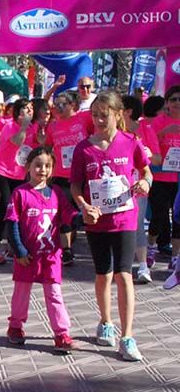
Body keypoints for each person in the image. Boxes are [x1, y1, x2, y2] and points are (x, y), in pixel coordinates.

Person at [69, 91, 152, 362]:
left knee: (123, 274)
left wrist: (145, 182)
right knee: (103, 274)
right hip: (97, 221)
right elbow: (75, 185)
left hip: (125, 218)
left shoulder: (131, 142)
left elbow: (146, 170)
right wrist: (84, 206)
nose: (99, 120)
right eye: (95, 115)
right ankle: (105, 321)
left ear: (118, 114)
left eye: (104, 115)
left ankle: (127, 337)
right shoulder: (83, 148)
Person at [5, 146, 77, 353]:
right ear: (28, 167)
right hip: (27, 255)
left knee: (54, 293)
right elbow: (12, 223)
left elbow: (68, 216)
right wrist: (19, 250)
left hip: (51, 256)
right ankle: (15, 325)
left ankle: (61, 333)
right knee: (21, 292)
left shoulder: (57, 193)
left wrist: (82, 217)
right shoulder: (20, 193)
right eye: (37, 165)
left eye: (47, 166)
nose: (42, 170)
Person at [0, 97, 38, 264]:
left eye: (31, 108)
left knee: (19, 212)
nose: (29, 111)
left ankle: (13, 246)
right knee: (4, 209)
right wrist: (23, 126)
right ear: (18, 112)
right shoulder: (10, 126)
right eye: (26, 108)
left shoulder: (33, 128)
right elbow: (17, 141)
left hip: (20, 175)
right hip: (2, 173)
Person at [45, 90, 90, 266]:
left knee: (84, 212)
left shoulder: (84, 118)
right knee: (63, 213)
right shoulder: (53, 126)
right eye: (56, 104)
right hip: (61, 176)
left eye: (62, 104)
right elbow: (47, 147)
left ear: (73, 105)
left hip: (85, 174)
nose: (57, 107)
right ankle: (67, 250)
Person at [121, 94, 161, 285]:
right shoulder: (114, 130)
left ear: (127, 111)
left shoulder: (145, 128)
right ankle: (121, 265)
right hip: (117, 187)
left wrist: (148, 154)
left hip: (138, 186)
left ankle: (143, 267)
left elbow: (157, 160)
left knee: (136, 224)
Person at [149, 85, 180, 271]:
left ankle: (175, 256)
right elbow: (149, 145)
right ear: (167, 103)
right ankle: (151, 247)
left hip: (178, 179)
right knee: (158, 217)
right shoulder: (159, 121)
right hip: (160, 177)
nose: (177, 103)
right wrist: (166, 130)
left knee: (178, 219)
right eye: (173, 99)